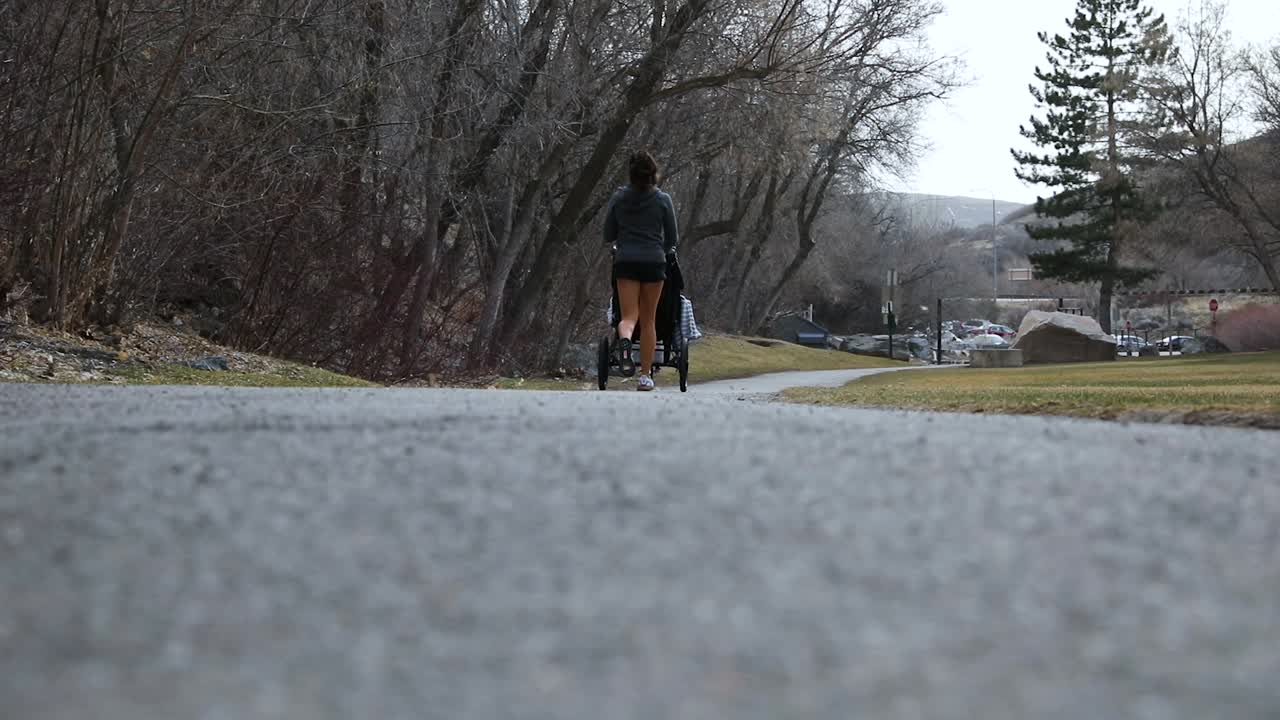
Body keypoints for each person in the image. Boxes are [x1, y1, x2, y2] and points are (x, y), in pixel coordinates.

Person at [603, 151, 679, 392]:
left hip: (626, 262)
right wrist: (660, 250)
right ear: (653, 173)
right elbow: (673, 238)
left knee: (628, 318)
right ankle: (645, 377)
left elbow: (608, 234)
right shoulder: (663, 200)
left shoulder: (619, 198)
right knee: (649, 321)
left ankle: (625, 341)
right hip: (654, 263)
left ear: (631, 173)